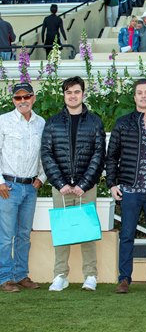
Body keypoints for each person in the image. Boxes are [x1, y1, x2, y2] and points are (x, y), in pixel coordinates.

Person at [41, 76, 106, 292]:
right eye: (68, 92)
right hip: (61, 188)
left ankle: (91, 275)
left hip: (85, 188)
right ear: (64, 95)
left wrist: (84, 184)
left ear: (83, 94)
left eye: (76, 92)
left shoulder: (95, 122)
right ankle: (60, 275)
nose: (72, 96)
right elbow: (47, 155)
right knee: (62, 233)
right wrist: (60, 183)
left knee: (87, 232)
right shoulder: (52, 122)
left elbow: (98, 155)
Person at [106, 79, 146, 294]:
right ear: (134, 97)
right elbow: (111, 156)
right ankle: (124, 278)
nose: (143, 96)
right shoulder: (123, 123)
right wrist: (112, 183)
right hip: (130, 190)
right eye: (139, 93)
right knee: (127, 235)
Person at [0, 83, 45, 293]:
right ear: (13, 101)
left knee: (24, 234)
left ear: (33, 98)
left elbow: (44, 153)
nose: (22, 101)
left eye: (26, 96)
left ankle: (20, 275)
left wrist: (42, 178)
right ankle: (4, 278)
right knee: (6, 235)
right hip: (8, 186)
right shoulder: (3, 121)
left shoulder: (41, 123)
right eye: (18, 98)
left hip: (30, 187)